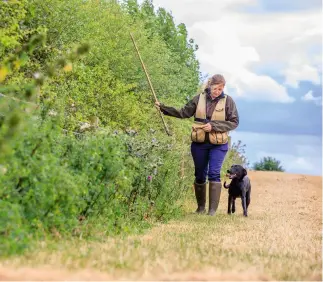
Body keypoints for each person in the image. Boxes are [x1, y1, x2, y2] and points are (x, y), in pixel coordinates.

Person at [155, 74, 239, 216]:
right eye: (215, 88)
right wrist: (163, 108)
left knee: (213, 173)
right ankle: (201, 208)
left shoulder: (228, 101)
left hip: (218, 145)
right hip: (199, 144)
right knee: (199, 175)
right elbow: (183, 113)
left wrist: (213, 126)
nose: (217, 91)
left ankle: (212, 211)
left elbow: (234, 122)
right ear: (209, 85)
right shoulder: (199, 98)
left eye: (220, 89)